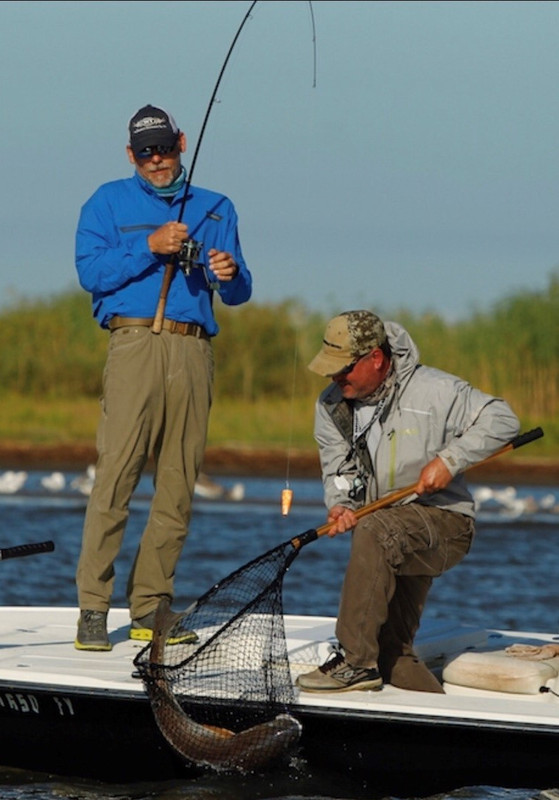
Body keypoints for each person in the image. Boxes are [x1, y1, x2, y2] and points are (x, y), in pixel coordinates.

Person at [74, 104, 252, 651]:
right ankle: (93, 610)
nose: (158, 160)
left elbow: (241, 289)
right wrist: (149, 246)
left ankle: (152, 606)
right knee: (116, 478)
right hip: (133, 344)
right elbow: (91, 273)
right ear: (131, 155)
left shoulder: (217, 207)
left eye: (165, 148)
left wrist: (229, 274)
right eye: (146, 152)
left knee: (178, 484)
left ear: (181, 142)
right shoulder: (106, 202)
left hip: (194, 352)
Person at [296, 310, 520, 693]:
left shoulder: (434, 389)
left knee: (375, 530)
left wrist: (449, 461)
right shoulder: (330, 405)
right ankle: (436, 719)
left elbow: (503, 419)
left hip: (445, 523)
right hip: (386, 532)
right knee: (393, 652)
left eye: (343, 369)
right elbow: (339, 470)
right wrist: (342, 504)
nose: (335, 379)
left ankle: (353, 662)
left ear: (376, 359)